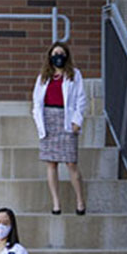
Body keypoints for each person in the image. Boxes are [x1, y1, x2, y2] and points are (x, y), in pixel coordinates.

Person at [31, 42, 87, 215]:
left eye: (61, 54)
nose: (58, 57)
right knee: (51, 163)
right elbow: (36, 102)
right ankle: (56, 203)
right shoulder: (43, 76)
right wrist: (39, 123)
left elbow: (81, 99)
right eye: (55, 54)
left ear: (67, 56)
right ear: (50, 56)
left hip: (66, 119)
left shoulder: (74, 75)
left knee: (71, 163)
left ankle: (80, 200)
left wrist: (77, 120)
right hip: (48, 120)